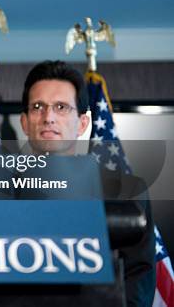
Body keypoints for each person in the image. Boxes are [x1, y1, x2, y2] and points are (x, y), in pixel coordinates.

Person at [20, 60, 155, 307]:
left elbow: (138, 280)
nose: (48, 117)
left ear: (82, 123)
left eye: (61, 107)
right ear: (25, 122)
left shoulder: (127, 191)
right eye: (38, 106)